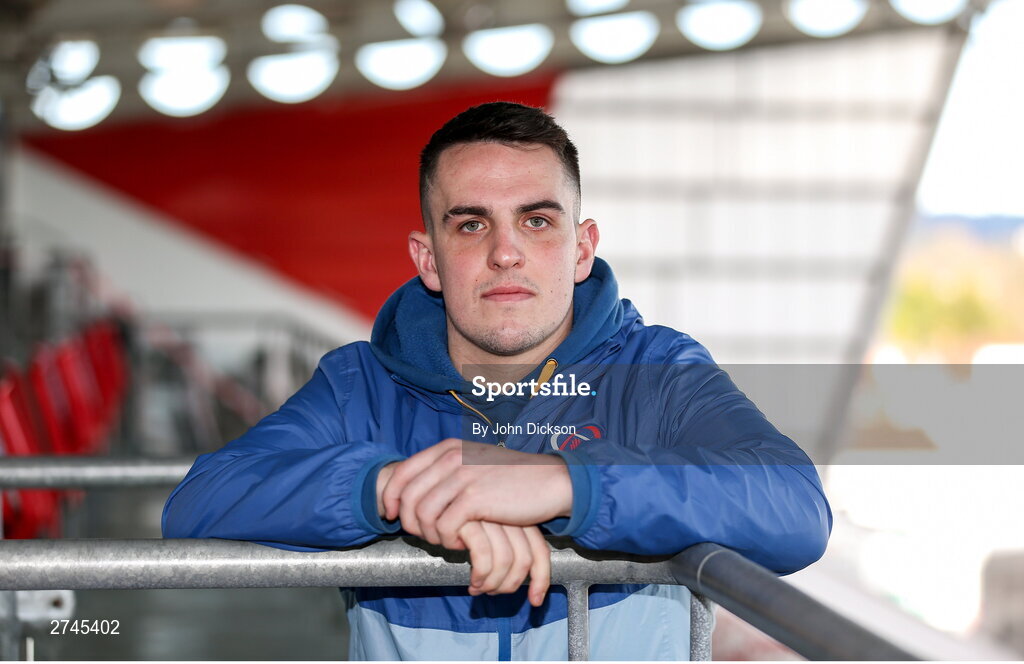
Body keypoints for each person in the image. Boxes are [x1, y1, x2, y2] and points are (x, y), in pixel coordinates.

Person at [162, 101, 832, 660]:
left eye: (537, 220)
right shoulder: (359, 386)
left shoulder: (655, 374)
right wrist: (394, 485)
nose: (505, 252)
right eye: (471, 223)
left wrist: (567, 485)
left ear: (582, 247)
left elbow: (795, 509)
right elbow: (198, 503)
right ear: (427, 258)